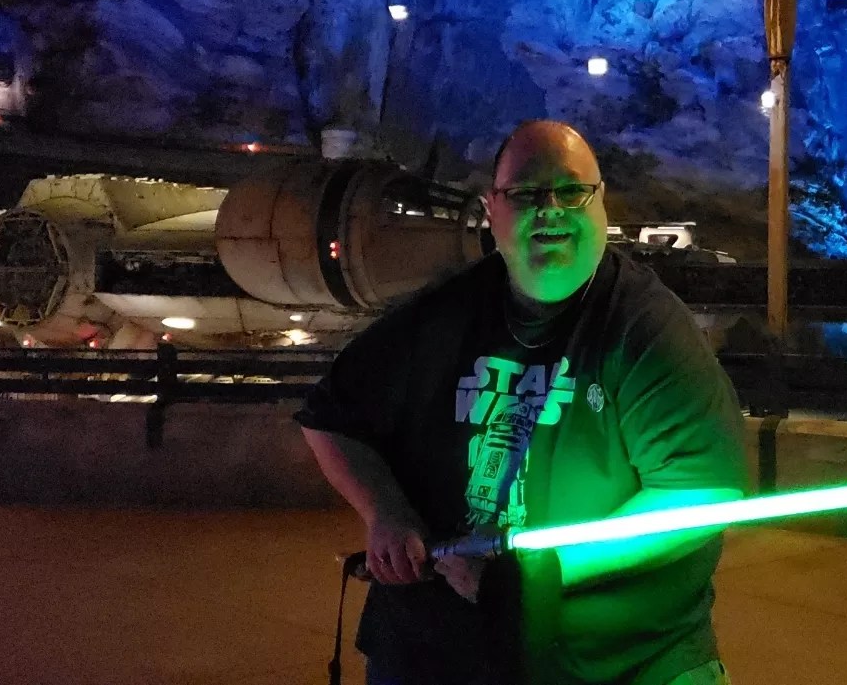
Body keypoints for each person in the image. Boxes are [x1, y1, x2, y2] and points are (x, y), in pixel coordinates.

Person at [296, 120, 748, 685]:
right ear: (492, 210)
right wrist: (386, 513)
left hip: (616, 662)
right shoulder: (440, 315)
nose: (551, 209)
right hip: (433, 651)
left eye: (571, 191)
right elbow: (330, 418)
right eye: (527, 194)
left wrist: (527, 576)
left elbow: (701, 494)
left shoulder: (645, 327)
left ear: (600, 202)